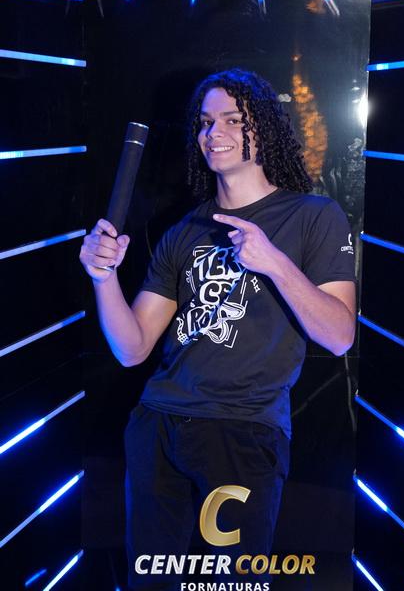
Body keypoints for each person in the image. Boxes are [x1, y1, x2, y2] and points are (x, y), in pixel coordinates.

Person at [80, 68, 356, 590]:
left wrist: (274, 262)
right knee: (152, 583)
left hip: (243, 429)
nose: (215, 132)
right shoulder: (185, 230)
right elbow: (132, 348)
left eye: (233, 120)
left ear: (264, 129)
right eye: (205, 122)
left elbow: (340, 335)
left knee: (233, 583)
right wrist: (103, 278)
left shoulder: (313, 216)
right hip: (159, 424)